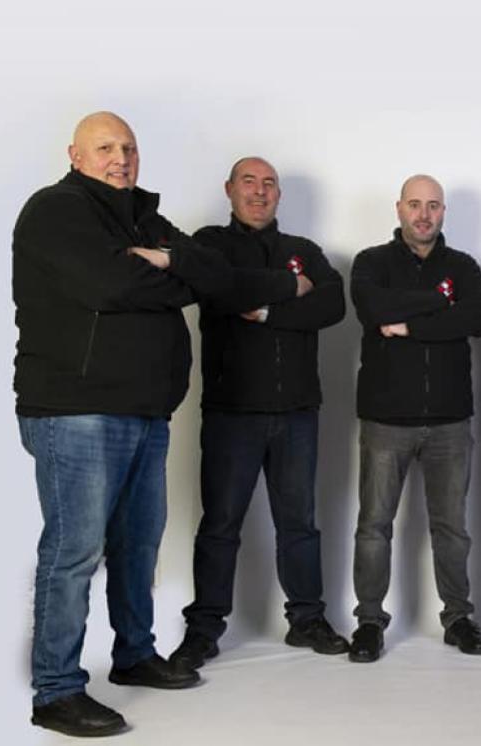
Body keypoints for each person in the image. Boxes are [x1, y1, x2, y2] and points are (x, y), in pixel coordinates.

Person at [13, 113, 297, 737]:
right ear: (76, 155)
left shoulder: (145, 217)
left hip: (146, 409)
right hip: (76, 410)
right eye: (106, 148)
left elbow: (215, 275)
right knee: (74, 551)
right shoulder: (56, 210)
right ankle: (56, 690)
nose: (121, 158)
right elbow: (111, 285)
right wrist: (179, 275)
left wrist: (168, 258)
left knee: (138, 544)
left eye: (129, 147)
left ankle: (135, 654)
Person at [169, 157, 348, 671]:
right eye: (249, 182)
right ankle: (204, 629)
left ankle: (307, 619)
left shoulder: (304, 250)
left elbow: (332, 306)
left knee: (299, 524)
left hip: (296, 412)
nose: (259, 191)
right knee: (220, 524)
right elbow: (221, 290)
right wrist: (290, 288)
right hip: (233, 412)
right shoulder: (209, 245)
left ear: (279, 195)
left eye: (269, 184)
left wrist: (266, 310)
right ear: (229, 189)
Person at [346, 174, 481, 662]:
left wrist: (407, 325)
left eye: (433, 205)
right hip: (386, 419)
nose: (423, 215)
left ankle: (458, 618)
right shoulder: (372, 262)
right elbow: (373, 307)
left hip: (450, 420)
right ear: (399, 208)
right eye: (415, 204)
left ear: (443, 211)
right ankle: (369, 621)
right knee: (374, 525)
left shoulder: (463, 266)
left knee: (451, 528)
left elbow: (477, 319)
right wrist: (439, 299)